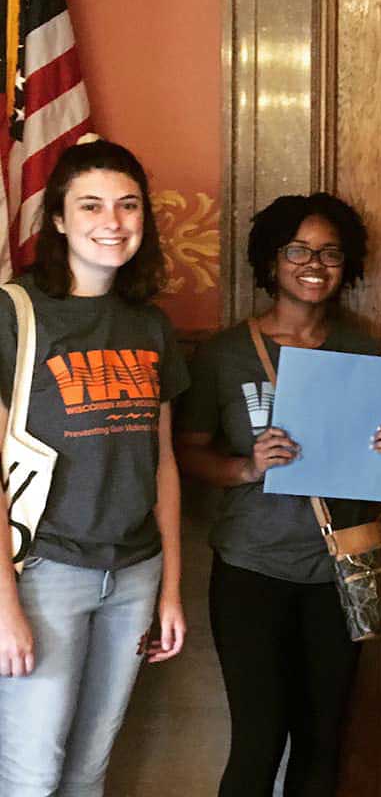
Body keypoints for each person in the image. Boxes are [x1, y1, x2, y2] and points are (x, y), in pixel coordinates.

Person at [174, 192, 381, 797]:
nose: (314, 263)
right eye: (298, 249)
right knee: (258, 740)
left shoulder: (366, 352)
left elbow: (365, 473)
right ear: (271, 260)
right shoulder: (225, 353)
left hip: (338, 570)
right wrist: (247, 468)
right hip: (252, 569)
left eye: (330, 252)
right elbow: (187, 454)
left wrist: (380, 448)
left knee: (323, 741)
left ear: (346, 264)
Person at [0, 138, 189, 796]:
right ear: (58, 218)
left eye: (128, 205)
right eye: (91, 205)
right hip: (45, 574)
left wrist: (169, 587)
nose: (112, 222)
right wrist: (3, 604)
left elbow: (162, 463)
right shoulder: (13, 314)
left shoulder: (151, 326)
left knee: (88, 771)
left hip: (134, 574)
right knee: (32, 775)